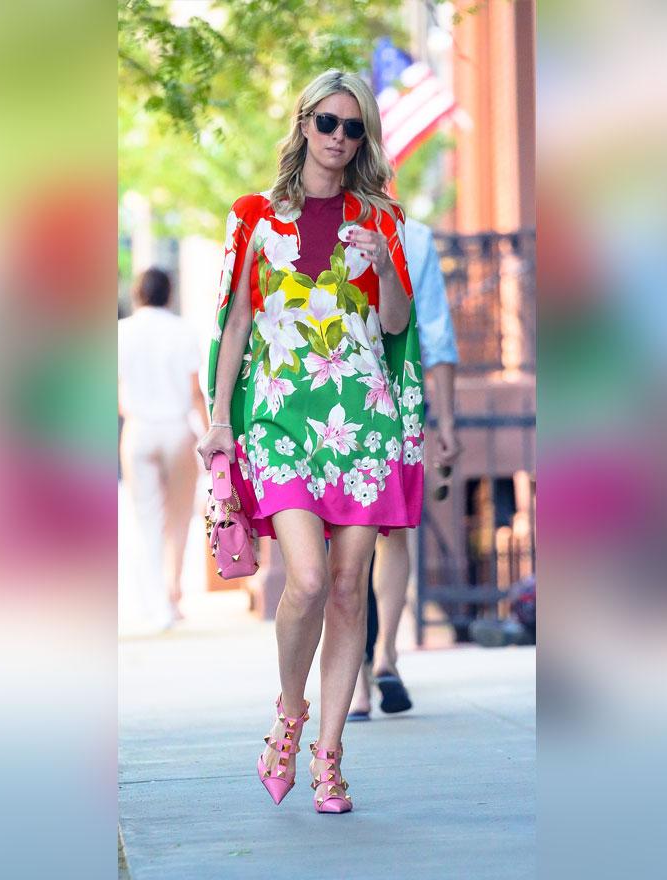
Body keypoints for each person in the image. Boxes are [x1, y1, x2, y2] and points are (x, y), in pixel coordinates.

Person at [196, 69, 425, 814]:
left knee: (352, 588)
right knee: (309, 578)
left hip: (363, 420)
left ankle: (330, 759)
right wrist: (221, 421)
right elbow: (233, 325)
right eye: (327, 122)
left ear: (366, 140)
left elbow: (394, 327)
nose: (339, 138)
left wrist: (386, 260)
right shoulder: (254, 216)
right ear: (303, 125)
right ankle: (288, 714)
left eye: (354, 127)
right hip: (281, 419)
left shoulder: (381, 216)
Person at [348, 217, 462, 720]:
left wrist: (448, 422)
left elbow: (433, 330)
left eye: (354, 131)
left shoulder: (410, 238)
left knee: (345, 536)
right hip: (395, 393)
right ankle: (384, 656)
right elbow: (437, 334)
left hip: (350, 393)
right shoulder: (413, 236)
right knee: (387, 533)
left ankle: (359, 681)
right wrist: (448, 423)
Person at [119, 267, 206, 627]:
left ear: (137, 294)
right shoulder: (182, 330)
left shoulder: (119, 333)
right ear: (169, 294)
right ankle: (172, 594)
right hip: (177, 429)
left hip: (138, 429)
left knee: (147, 519)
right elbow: (195, 391)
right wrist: (208, 432)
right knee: (179, 518)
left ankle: (155, 603)